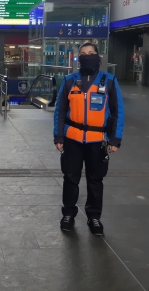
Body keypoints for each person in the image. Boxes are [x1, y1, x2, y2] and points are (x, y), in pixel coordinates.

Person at [53, 42, 125, 235]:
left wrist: (115, 139)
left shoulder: (109, 81)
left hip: (97, 139)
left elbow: (118, 112)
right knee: (70, 178)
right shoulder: (69, 81)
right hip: (72, 138)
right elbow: (60, 111)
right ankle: (68, 214)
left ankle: (94, 217)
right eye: (83, 54)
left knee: (95, 180)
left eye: (91, 53)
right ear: (78, 57)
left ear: (98, 56)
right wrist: (58, 136)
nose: (87, 56)